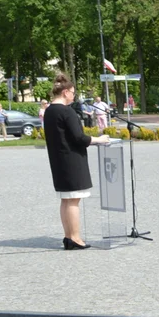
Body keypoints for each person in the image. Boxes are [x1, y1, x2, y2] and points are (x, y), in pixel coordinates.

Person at [43, 72, 111, 250]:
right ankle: (75, 238)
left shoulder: (49, 111)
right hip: (72, 160)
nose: (74, 96)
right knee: (73, 200)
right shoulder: (67, 112)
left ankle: (68, 236)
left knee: (66, 200)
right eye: (73, 92)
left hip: (58, 160)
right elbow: (79, 138)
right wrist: (100, 139)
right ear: (65, 92)